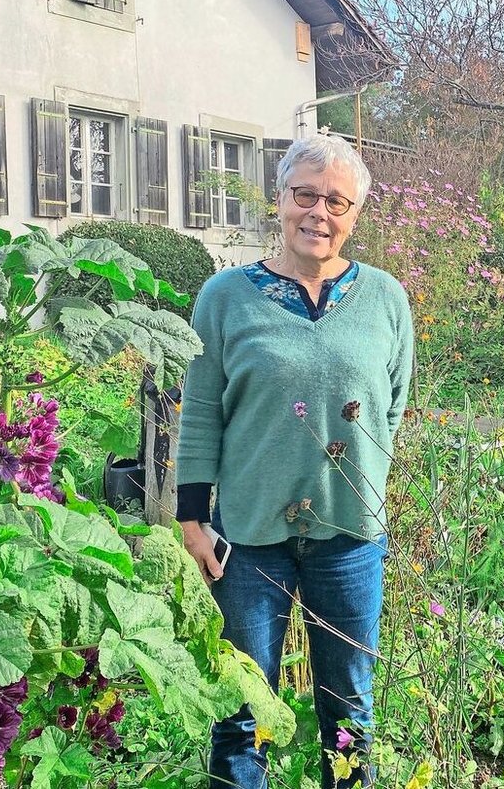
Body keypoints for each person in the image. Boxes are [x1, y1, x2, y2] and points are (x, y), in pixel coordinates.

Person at [176, 134, 414, 789]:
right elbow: (200, 413)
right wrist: (193, 520)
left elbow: (390, 406)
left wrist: (365, 482)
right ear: (279, 199)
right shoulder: (226, 297)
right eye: (305, 194)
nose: (319, 212)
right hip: (248, 541)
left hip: (350, 538)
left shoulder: (387, 299)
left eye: (337, 200)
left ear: (356, 214)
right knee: (240, 709)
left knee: (351, 714)